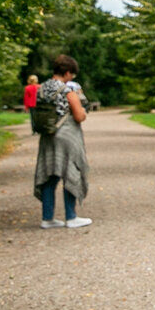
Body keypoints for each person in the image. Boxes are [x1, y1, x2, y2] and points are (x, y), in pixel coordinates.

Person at [34, 55, 91, 229]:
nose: (71, 78)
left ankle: (47, 218)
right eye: (71, 75)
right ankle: (71, 217)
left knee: (50, 175)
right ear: (67, 72)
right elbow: (79, 116)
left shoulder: (41, 88)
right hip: (66, 137)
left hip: (47, 136)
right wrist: (84, 111)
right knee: (70, 173)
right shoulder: (67, 91)